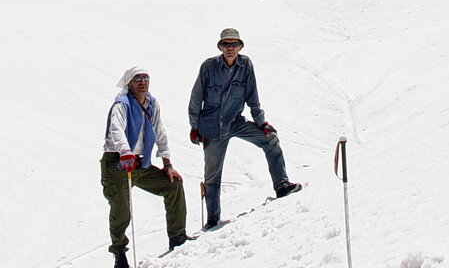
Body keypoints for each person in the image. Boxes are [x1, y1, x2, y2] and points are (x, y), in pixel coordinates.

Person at [188, 28, 301, 229]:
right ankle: (213, 219)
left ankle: (282, 185)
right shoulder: (208, 67)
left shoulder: (245, 65)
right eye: (226, 45)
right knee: (212, 175)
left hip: (235, 121)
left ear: (240, 46)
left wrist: (261, 122)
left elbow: (252, 96)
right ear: (220, 47)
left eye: (234, 45)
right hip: (212, 127)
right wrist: (194, 127)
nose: (230, 48)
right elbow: (196, 98)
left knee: (270, 139)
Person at [101, 67, 189, 268]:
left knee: (172, 184)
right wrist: (125, 151)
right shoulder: (121, 104)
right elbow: (116, 129)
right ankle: (119, 253)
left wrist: (167, 164)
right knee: (121, 208)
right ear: (129, 83)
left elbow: (160, 132)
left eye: (145, 78)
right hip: (117, 163)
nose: (142, 82)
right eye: (137, 79)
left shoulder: (152, 103)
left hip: (138, 162)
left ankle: (178, 237)